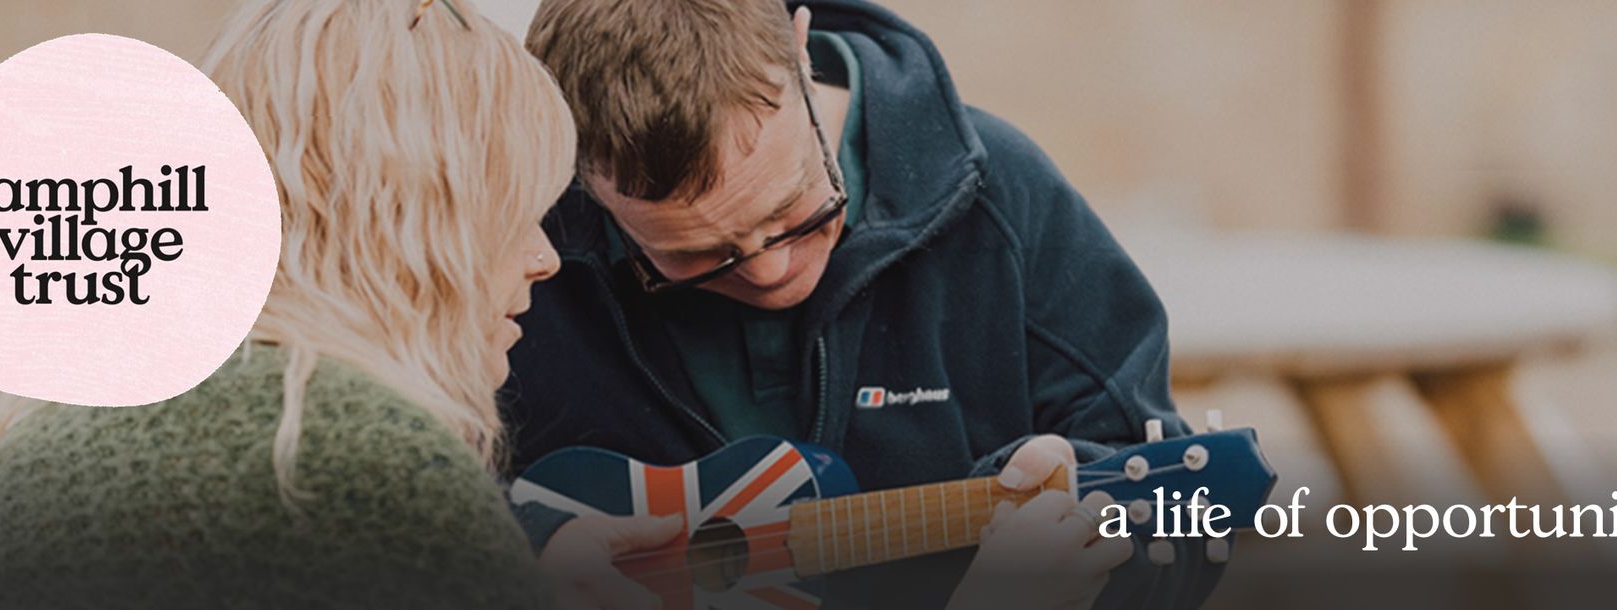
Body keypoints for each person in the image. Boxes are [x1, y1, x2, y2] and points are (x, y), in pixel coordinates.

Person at [505, 0, 1218, 608]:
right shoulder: (516, 249)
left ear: (796, 46)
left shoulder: (1000, 198)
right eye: (698, 257)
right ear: (577, 177)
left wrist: (1084, 580)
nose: (772, 271)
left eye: (795, 210)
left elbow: (1182, 530)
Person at [0, 0, 575, 607]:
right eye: (514, 211)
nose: (545, 257)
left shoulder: (48, 446)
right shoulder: (366, 472)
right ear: (409, 223)